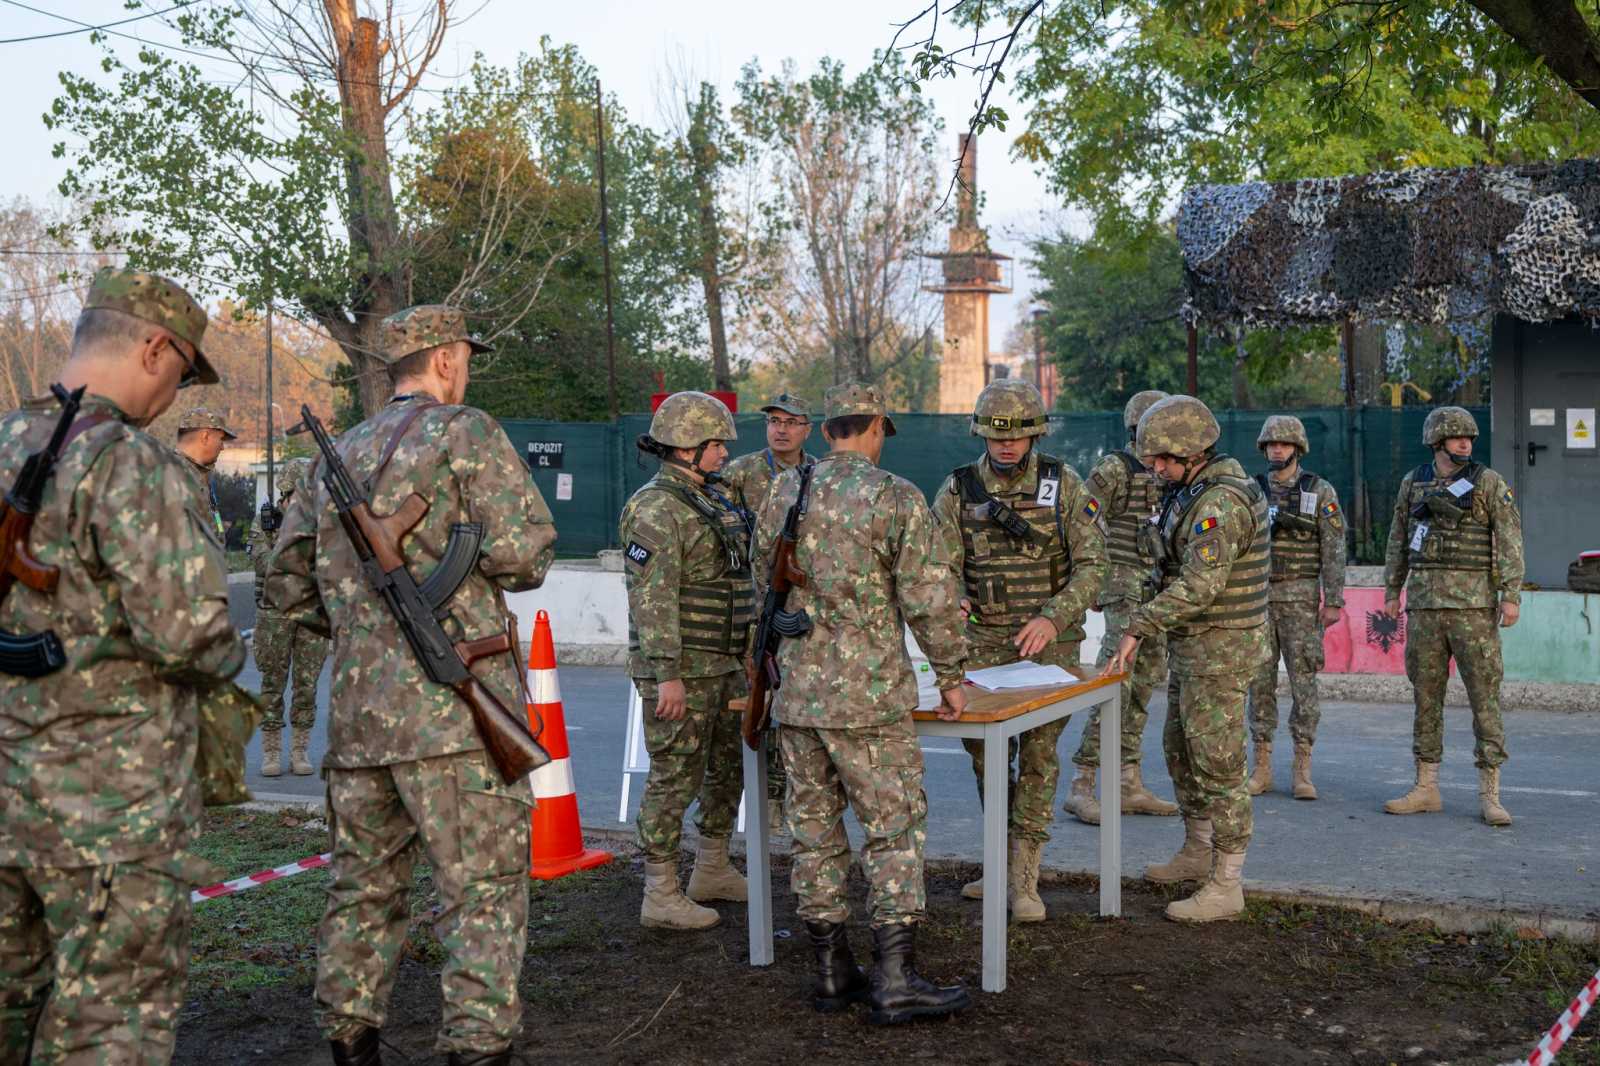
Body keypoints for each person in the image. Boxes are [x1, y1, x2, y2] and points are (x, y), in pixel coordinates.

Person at [265, 304, 556, 1066]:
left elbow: (288, 587)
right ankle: (478, 1049)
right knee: (481, 894)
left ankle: (350, 1045)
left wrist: (365, 627)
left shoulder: (335, 456)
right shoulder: (466, 432)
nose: (468, 371)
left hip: (360, 724)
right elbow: (525, 555)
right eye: (467, 358)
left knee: (362, 892)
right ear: (447, 358)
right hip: (455, 725)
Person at [0, 267, 244, 1063]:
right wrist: (228, 648)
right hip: (110, 813)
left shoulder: (5, 441)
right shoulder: (132, 463)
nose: (174, 396)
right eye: (183, 373)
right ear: (154, 348)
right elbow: (191, 637)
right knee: (108, 1024)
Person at [755, 382, 971, 1025]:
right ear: (876, 427)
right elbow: (929, 597)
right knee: (892, 830)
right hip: (869, 701)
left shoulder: (784, 490)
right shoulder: (894, 496)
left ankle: (832, 970)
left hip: (797, 695)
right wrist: (952, 675)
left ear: (826, 431)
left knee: (814, 833)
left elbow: (762, 580)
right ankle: (895, 979)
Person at [929, 379, 1107, 921]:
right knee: (987, 758)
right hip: (983, 645)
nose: (1007, 446)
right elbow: (939, 565)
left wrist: (1053, 617)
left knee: (1037, 756)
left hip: (1050, 647)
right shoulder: (958, 489)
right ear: (981, 434)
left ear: (1035, 435)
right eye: (997, 436)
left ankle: (1025, 875)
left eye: (1018, 436)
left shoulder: (1064, 483)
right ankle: (1001, 861)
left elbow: (1094, 566)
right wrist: (954, 595)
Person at [1102, 394, 1270, 923]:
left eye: (1163, 458)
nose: (1155, 467)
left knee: (1219, 762)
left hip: (1221, 647)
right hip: (1196, 645)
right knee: (1180, 748)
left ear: (1194, 452)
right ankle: (1198, 848)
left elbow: (1200, 586)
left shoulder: (1219, 504)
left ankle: (1227, 882)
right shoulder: (1191, 490)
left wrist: (1138, 625)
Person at [620, 391, 752, 932]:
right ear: (684, 447)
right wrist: (667, 675)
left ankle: (711, 868)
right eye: (715, 444)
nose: (724, 453)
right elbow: (651, 599)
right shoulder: (655, 508)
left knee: (727, 770)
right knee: (675, 776)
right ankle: (660, 892)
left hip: (724, 664)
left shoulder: (710, 499)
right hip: (682, 671)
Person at [1381, 406, 1522, 827]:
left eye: (1469, 438)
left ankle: (1490, 794)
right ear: (1437, 442)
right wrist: (1392, 589)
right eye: (1457, 437)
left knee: (1484, 697)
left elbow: (1509, 537)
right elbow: (1398, 537)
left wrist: (1511, 594)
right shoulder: (1414, 483)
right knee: (1426, 697)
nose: (1466, 443)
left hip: (1473, 608)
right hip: (1424, 607)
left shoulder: (1488, 482)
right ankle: (1426, 787)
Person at [1066, 389, 1178, 824]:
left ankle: (1127, 782)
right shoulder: (1114, 469)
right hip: (1123, 584)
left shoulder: (1171, 471)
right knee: (1115, 681)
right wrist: (1091, 580)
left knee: (1145, 683)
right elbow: (1082, 522)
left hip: (1156, 588)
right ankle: (1082, 783)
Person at [719, 391, 816, 830]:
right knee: (755, 701)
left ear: (807, 430)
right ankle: (761, 805)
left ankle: (788, 796)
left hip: (797, 603)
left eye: (791, 422)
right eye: (775, 421)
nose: (781, 429)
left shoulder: (817, 475)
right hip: (751, 601)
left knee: (792, 702)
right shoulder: (740, 473)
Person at [1245, 415, 1346, 800]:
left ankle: (1302, 768)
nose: (1277, 449)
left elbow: (1333, 547)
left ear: (1297, 449)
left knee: (1304, 682)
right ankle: (1262, 766)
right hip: (1258, 599)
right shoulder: (1251, 490)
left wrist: (1333, 599)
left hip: (1301, 600)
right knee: (1259, 682)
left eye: (1284, 444)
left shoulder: (1319, 491)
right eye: (1271, 444)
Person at [248, 459, 328, 777]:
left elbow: (328, 564)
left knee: (307, 684)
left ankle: (300, 750)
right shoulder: (266, 522)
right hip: (274, 614)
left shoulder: (322, 522)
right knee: (272, 684)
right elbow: (264, 564)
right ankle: (271, 751)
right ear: (285, 494)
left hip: (310, 613)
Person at [174, 407, 238, 543]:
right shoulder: (173, 473)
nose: (222, 447)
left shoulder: (200, 476)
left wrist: (218, 530)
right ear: (205, 436)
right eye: (221, 439)